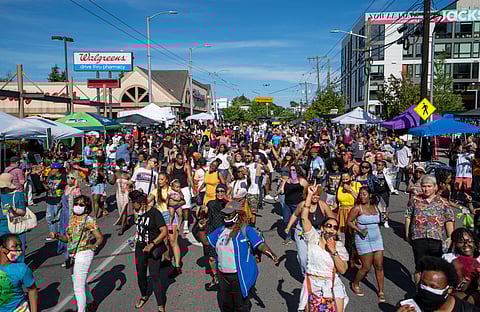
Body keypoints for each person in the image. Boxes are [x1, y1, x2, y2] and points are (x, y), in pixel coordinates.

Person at [194, 200, 279, 312]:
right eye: (225, 214)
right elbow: (206, 242)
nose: (226, 216)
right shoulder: (220, 231)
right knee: (226, 304)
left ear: (237, 214)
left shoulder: (246, 230)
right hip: (223, 275)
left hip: (238, 275)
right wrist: (201, 229)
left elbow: (260, 245)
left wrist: (271, 254)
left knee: (241, 305)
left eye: (230, 213)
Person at [298, 185, 349, 312]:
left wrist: (334, 252)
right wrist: (309, 196)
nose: (331, 229)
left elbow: (343, 270)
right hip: (312, 283)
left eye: (334, 228)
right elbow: (304, 218)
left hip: (332, 285)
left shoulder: (339, 247)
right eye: (328, 226)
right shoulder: (313, 238)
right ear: (322, 228)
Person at [54, 195, 103, 312]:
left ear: (87, 207)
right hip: (73, 254)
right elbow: (68, 239)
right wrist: (57, 236)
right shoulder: (72, 219)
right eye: (76, 204)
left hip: (84, 253)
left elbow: (99, 237)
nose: (77, 207)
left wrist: (94, 246)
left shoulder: (89, 220)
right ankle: (90, 301)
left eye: (81, 205)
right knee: (78, 281)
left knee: (78, 286)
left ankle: (81, 309)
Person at [405, 175, 455, 284]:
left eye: (429, 186)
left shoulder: (443, 203)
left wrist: (450, 237)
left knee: (435, 268)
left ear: (435, 187)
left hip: (436, 239)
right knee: (419, 267)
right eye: (424, 186)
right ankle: (419, 291)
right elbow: (408, 217)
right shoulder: (414, 200)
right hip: (419, 238)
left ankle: (432, 290)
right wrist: (407, 234)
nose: (426, 189)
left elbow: (449, 220)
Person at [128, 189, 169, 311]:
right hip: (140, 248)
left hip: (153, 248)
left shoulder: (155, 213)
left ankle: (160, 304)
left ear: (141, 202)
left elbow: (164, 231)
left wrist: (152, 244)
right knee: (141, 275)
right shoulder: (137, 212)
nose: (132, 206)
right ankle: (144, 296)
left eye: (134, 203)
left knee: (155, 276)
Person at [285, 183, 335, 275]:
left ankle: (316, 274)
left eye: (317, 195)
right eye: (313, 194)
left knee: (317, 256)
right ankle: (306, 276)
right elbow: (295, 215)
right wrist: (288, 227)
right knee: (303, 257)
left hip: (317, 233)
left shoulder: (323, 205)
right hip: (302, 232)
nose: (315, 197)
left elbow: (332, 219)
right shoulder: (302, 204)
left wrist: (331, 231)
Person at [396, 256, 480, 312]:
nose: (426, 289)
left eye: (433, 287)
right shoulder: (407, 306)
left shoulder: (467, 310)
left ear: (449, 289)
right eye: (423, 284)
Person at [347, 186, 385, 302]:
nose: (362, 196)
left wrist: (384, 218)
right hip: (363, 240)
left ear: (370, 195)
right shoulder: (357, 209)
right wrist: (359, 230)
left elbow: (381, 220)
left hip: (377, 239)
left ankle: (381, 290)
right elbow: (348, 222)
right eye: (360, 194)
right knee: (366, 267)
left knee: (379, 266)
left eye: (364, 194)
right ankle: (355, 283)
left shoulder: (375, 207)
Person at [0, 234, 38, 312]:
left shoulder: (22, 268)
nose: (19, 249)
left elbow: (32, 290)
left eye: (20, 246)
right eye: (15, 246)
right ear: (3, 249)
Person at [278, 165, 309, 244]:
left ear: (297, 171)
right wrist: (281, 185)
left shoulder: (301, 181)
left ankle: (299, 237)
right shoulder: (287, 180)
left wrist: (306, 203)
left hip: (297, 204)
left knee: (298, 222)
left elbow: (307, 192)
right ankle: (288, 237)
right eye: (291, 170)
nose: (292, 172)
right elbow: (282, 191)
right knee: (286, 220)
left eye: (294, 170)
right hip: (287, 204)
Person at [43, 162, 67, 241]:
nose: (51, 170)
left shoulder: (63, 177)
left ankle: (61, 234)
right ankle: (52, 233)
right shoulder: (50, 177)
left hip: (59, 200)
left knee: (59, 218)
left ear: (57, 169)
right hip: (50, 199)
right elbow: (46, 187)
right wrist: (43, 181)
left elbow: (65, 186)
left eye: (52, 169)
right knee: (49, 217)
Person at [108, 159, 131, 235]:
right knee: (121, 210)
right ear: (120, 166)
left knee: (124, 209)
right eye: (123, 165)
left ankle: (122, 228)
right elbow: (112, 182)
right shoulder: (116, 174)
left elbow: (132, 186)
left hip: (126, 194)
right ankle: (125, 223)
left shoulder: (128, 175)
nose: (124, 166)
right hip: (119, 194)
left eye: (125, 165)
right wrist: (107, 178)